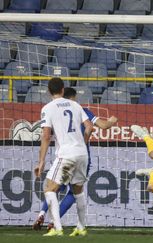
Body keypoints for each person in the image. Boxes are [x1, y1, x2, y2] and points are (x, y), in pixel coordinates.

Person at [33, 87, 118, 233]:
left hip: (64, 156)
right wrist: (112, 121)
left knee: (54, 187)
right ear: (74, 97)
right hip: (82, 156)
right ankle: (56, 223)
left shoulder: (54, 110)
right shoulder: (81, 109)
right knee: (74, 193)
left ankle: (42, 213)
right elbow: (99, 126)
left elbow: (47, 134)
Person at [35, 78, 93, 237]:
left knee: (49, 189)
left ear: (49, 91)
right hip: (82, 153)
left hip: (66, 155)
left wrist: (41, 161)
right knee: (78, 191)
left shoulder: (48, 108)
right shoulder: (75, 105)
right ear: (62, 89)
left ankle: (57, 228)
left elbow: (46, 136)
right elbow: (89, 126)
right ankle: (81, 227)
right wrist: (83, 141)